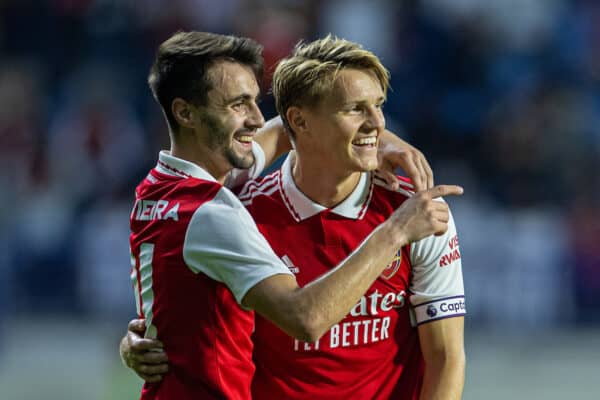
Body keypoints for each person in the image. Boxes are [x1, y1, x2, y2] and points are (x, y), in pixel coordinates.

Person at [124, 34, 465, 399]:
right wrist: (393, 232)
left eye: (378, 106)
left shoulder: (418, 210)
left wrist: (157, 335)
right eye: (354, 108)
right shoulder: (232, 209)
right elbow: (306, 318)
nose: (257, 120)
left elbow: (446, 357)